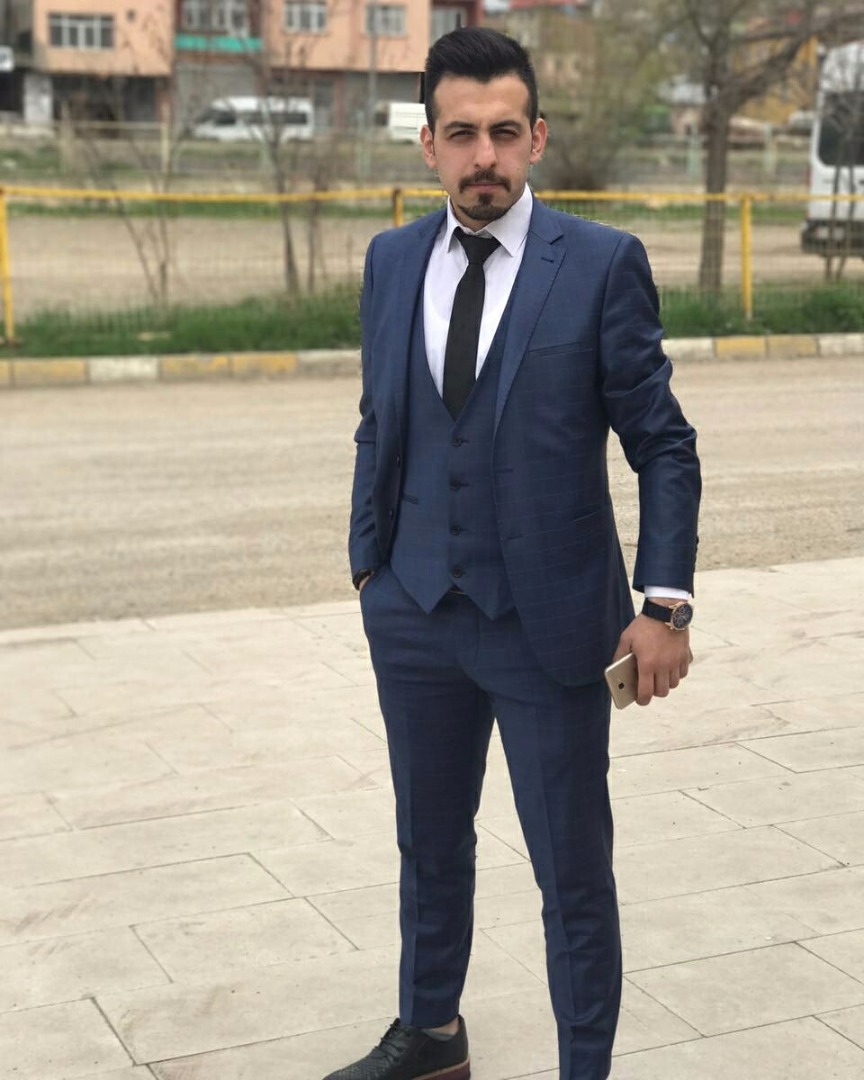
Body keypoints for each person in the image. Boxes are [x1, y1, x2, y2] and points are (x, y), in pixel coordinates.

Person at [331, 26, 701, 1080]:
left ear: (536, 137)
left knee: (571, 872)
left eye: (503, 132)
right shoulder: (392, 261)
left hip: (551, 625)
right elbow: (379, 419)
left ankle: (584, 1066)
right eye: (461, 134)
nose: (483, 155)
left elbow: (663, 444)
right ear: (429, 145)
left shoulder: (599, 264)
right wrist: (370, 564)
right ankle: (431, 1035)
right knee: (427, 842)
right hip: (413, 612)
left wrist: (665, 605)